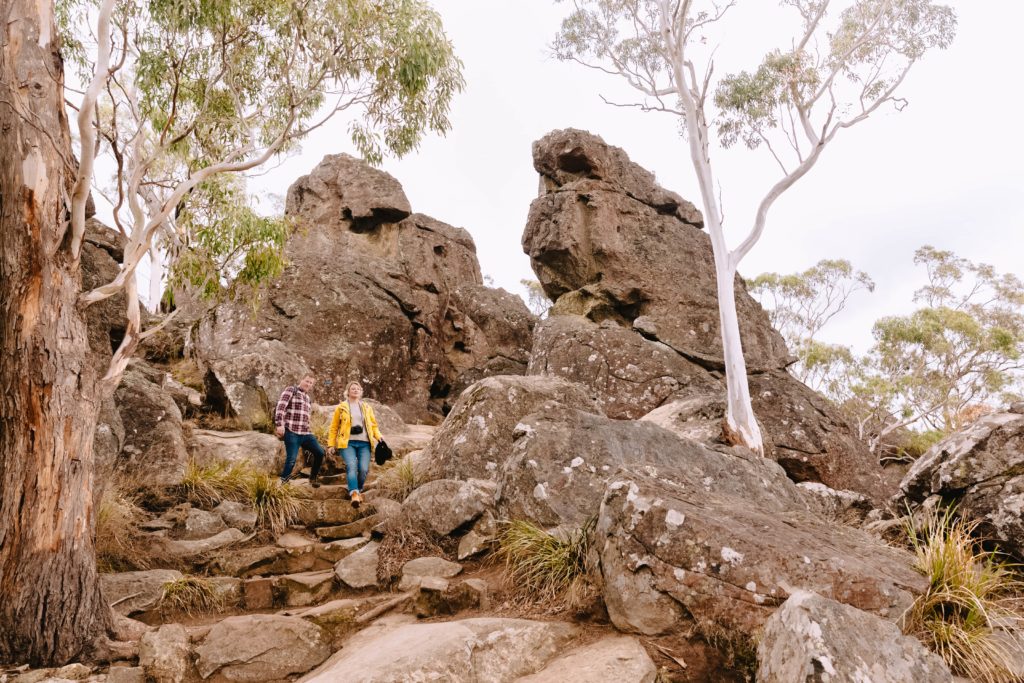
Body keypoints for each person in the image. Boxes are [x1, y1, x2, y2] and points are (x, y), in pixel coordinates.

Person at [327, 381, 383, 508]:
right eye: (353, 388)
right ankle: (354, 493)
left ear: (361, 391)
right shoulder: (341, 407)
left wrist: (379, 436)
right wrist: (331, 444)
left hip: (365, 443)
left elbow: (373, 425)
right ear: (348, 391)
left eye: (358, 389)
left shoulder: (366, 407)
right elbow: (334, 427)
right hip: (347, 443)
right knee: (352, 466)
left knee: (363, 469)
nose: (356, 390)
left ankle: (358, 489)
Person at [274, 374, 327, 486]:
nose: (308, 384)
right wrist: (279, 424)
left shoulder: (307, 398)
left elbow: (306, 416)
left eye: (311, 383)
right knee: (292, 459)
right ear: (301, 380)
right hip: (292, 431)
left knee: (320, 452)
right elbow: (281, 407)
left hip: (305, 433)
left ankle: (313, 478)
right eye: (307, 381)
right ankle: (284, 483)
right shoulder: (291, 390)